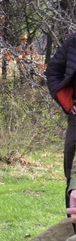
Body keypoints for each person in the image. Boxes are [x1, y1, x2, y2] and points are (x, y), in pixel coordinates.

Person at [46, 31, 76, 207]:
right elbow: (53, 72)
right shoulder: (73, 42)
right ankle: (73, 230)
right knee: (73, 177)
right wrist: (67, 102)